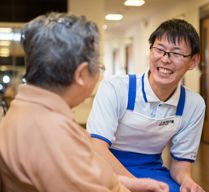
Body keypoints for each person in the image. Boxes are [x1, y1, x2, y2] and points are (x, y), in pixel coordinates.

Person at [0, 12, 169, 192]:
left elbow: (84, 174)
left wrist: (132, 184)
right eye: (99, 67)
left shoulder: (31, 111)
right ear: (81, 74)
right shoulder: (50, 133)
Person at [87, 19, 206, 192]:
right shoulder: (116, 88)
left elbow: (181, 165)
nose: (165, 59)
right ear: (150, 50)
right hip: (106, 166)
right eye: (160, 49)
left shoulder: (193, 104)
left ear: (194, 61)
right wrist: (136, 185)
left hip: (152, 170)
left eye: (176, 53)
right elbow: (97, 148)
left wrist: (187, 181)